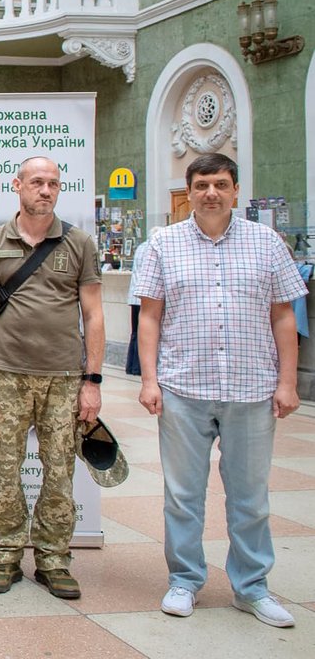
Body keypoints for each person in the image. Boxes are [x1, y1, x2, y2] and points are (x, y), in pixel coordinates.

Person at [135, 153, 306, 628]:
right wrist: (149, 379)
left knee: (250, 496)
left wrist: (287, 382)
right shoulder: (162, 244)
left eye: (221, 184)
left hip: (251, 389)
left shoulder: (266, 243)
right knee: (183, 494)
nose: (212, 192)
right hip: (183, 388)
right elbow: (149, 316)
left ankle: (252, 588)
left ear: (235, 191)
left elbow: (283, 315)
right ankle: (184, 580)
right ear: (189, 192)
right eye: (203, 184)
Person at [0, 157, 103, 600]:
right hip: (5, 373)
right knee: (5, 472)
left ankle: (53, 559)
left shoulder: (79, 243)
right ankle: (5, 555)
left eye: (53, 184)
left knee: (59, 472)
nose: (45, 191)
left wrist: (93, 380)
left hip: (64, 377)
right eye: (37, 183)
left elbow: (94, 314)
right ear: (18, 186)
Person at [124, 226, 165, 377]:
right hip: (146, 296)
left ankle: (132, 366)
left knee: (135, 332)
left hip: (134, 296)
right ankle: (140, 367)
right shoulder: (153, 249)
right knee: (145, 331)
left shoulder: (141, 247)